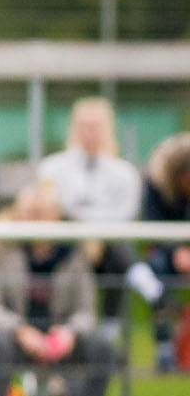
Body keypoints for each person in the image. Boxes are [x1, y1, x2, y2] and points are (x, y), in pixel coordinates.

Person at [0, 180, 113, 396]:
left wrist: (68, 332)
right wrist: (21, 330)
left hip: (59, 341)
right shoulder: (1, 252)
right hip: (15, 341)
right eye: (25, 215)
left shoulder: (75, 257)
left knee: (101, 345)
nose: (29, 222)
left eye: (38, 215)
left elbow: (87, 312)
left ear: (55, 218)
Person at [38, 97, 143, 330]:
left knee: (115, 252)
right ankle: (141, 275)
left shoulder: (125, 173)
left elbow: (125, 215)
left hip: (108, 249)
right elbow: (51, 208)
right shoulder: (51, 167)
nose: (90, 132)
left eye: (96, 126)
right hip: (65, 247)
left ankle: (108, 330)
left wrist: (86, 221)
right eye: (84, 125)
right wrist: (90, 223)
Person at [133, 133, 190, 372]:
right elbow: (151, 223)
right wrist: (176, 250)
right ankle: (164, 347)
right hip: (165, 254)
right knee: (155, 277)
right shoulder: (156, 183)